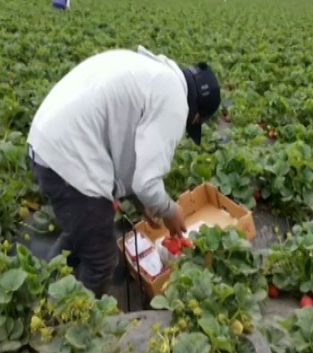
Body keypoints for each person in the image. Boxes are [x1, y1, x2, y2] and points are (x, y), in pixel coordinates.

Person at [27, 45, 221, 297]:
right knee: (101, 260)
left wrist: (142, 203)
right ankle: (71, 326)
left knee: (85, 231)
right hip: (69, 156)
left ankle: (45, 290)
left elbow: (129, 151)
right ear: (196, 116)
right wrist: (171, 211)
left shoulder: (156, 75)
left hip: (47, 139)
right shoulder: (173, 100)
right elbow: (146, 181)